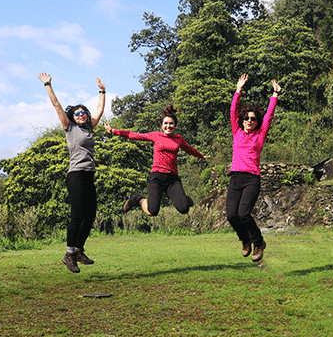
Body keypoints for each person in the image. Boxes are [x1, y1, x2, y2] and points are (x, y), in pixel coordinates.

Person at [38, 72, 105, 273]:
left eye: (83, 112)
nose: (81, 115)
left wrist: (102, 91)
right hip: (75, 175)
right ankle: (69, 254)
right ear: (72, 117)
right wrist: (48, 85)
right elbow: (57, 106)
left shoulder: (89, 129)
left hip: (89, 174)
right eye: (77, 113)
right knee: (77, 214)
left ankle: (78, 250)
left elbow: (99, 111)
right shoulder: (70, 128)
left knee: (90, 215)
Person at [104, 105, 207, 217]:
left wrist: (201, 156)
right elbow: (134, 135)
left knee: (184, 209)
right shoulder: (156, 136)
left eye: (171, 123)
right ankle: (139, 199)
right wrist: (114, 131)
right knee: (152, 211)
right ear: (161, 125)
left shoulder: (179, 139)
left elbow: (189, 149)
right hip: (156, 178)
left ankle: (181, 198)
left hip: (172, 179)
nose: (168, 126)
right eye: (166, 123)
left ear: (175, 126)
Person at [226, 74, 280, 262]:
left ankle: (259, 243)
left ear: (257, 122)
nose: (250, 120)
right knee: (231, 215)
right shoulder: (237, 131)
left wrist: (274, 95)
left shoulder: (260, 134)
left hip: (251, 179)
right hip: (235, 178)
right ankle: (245, 240)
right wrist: (238, 90)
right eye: (247, 118)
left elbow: (269, 116)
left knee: (243, 213)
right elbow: (232, 111)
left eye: (253, 119)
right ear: (242, 120)